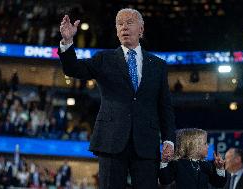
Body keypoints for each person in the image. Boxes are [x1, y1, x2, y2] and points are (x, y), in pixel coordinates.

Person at [58, 8, 176, 189]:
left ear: (141, 29)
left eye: (129, 23)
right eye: (120, 24)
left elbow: (165, 107)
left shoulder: (158, 66)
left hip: (146, 144)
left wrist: (168, 140)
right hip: (111, 141)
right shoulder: (104, 59)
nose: (124, 27)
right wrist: (67, 41)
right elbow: (73, 69)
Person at [159, 128, 226, 189]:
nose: (208, 146)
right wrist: (164, 162)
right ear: (194, 146)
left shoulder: (207, 165)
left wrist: (220, 168)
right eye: (205, 143)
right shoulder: (177, 163)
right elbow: (165, 180)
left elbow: (219, 184)